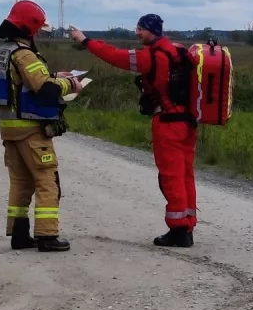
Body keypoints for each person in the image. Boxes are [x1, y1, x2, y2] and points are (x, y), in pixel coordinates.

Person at [69, 14, 196, 247]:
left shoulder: (152, 56)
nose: (136, 33)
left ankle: (179, 230)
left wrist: (85, 40)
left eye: (140, 29)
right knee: (185, 174)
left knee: (171, 176)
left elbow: (114, 56)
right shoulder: (176, 50)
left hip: (167, 122)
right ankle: (188, 223)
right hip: (187, 122)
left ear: (152, 30)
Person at [0, 0, 86, 252]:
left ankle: (19, 235)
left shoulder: (3, 51)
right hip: (31, 129)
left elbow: (23, 83)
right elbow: (43, 89)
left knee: (21, 182)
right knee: (47, 180)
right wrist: (71, 85)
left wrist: (56, 76)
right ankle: (47, 235)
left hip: (10, 129)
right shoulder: (24, 54)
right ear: (29, 28)